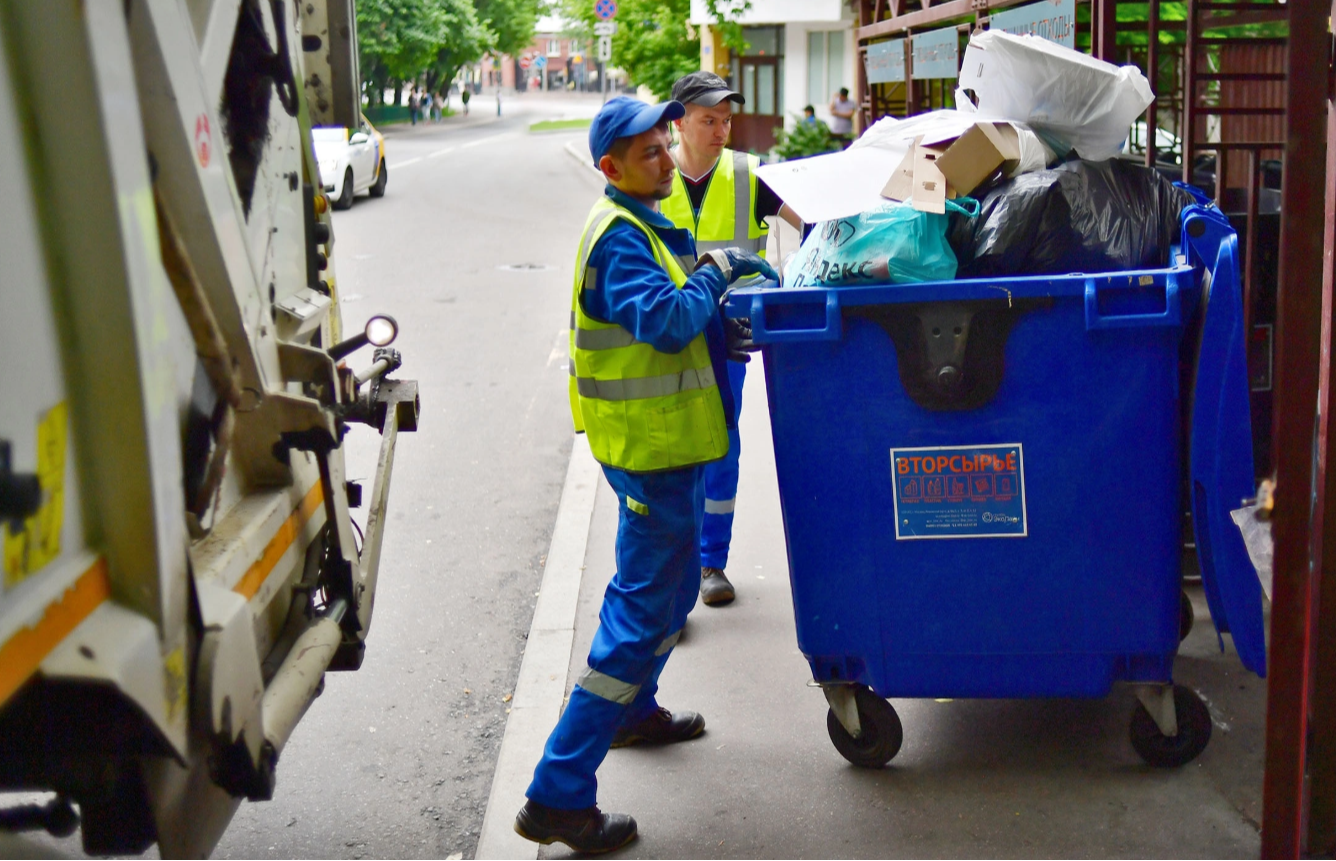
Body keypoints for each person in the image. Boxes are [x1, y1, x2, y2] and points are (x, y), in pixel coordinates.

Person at [513, 96, 777, 854]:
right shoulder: (620, 237)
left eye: (667, 143)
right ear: (611, 167)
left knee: (665, 599)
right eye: (650, 151)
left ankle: (634, 713)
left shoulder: (643, 224)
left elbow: (672, 316)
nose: (667, 157)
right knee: (639, 618)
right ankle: (557, 792)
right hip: (651, 454)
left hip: (667, 446)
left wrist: (714, 303)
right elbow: (664, 322)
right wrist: (718, 272)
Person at [663, 70, 802, 608]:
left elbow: (810, 221)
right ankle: (673, 570)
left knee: (721, 442)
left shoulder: (749, 175)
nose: (721, 130)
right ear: (679, 122)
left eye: (726, 120)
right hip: (669, 333)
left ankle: (709, 563)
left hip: (730, 336)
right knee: (672, 454)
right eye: (708, 120)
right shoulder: (651, 175)